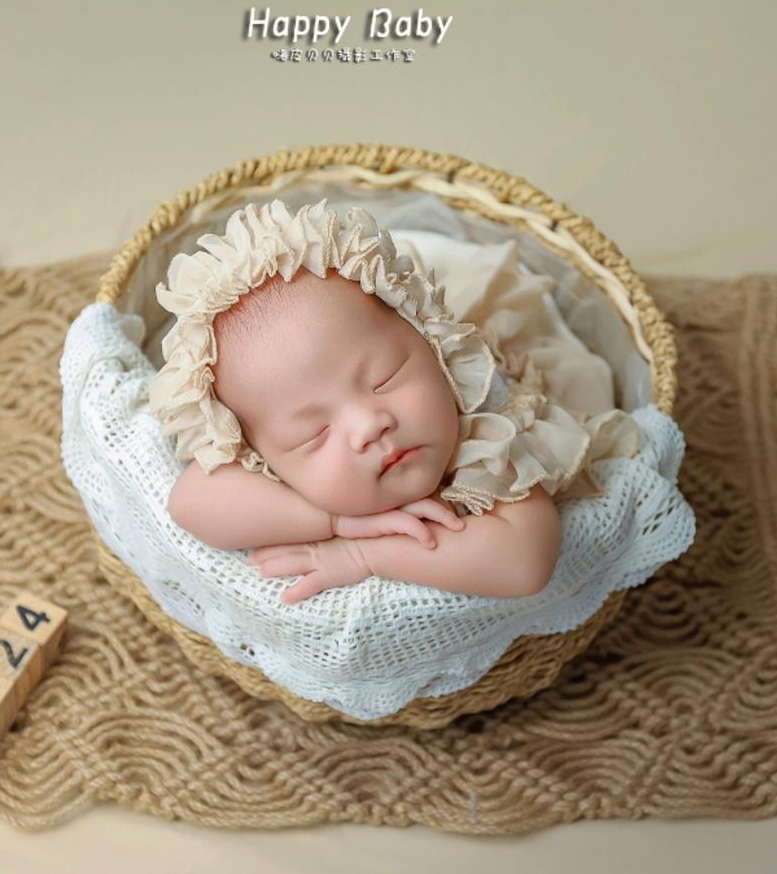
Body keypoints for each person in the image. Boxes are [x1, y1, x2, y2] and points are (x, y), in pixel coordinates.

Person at [149, 198, 640, 604]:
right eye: (313, 433)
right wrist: (336, 520)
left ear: (430, 343)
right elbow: (190, 503)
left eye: (384, 378)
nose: (369, 425)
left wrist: (364, 553)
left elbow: (524, 562)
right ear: (257, 451)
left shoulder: (483, 429)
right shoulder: (266, 460)